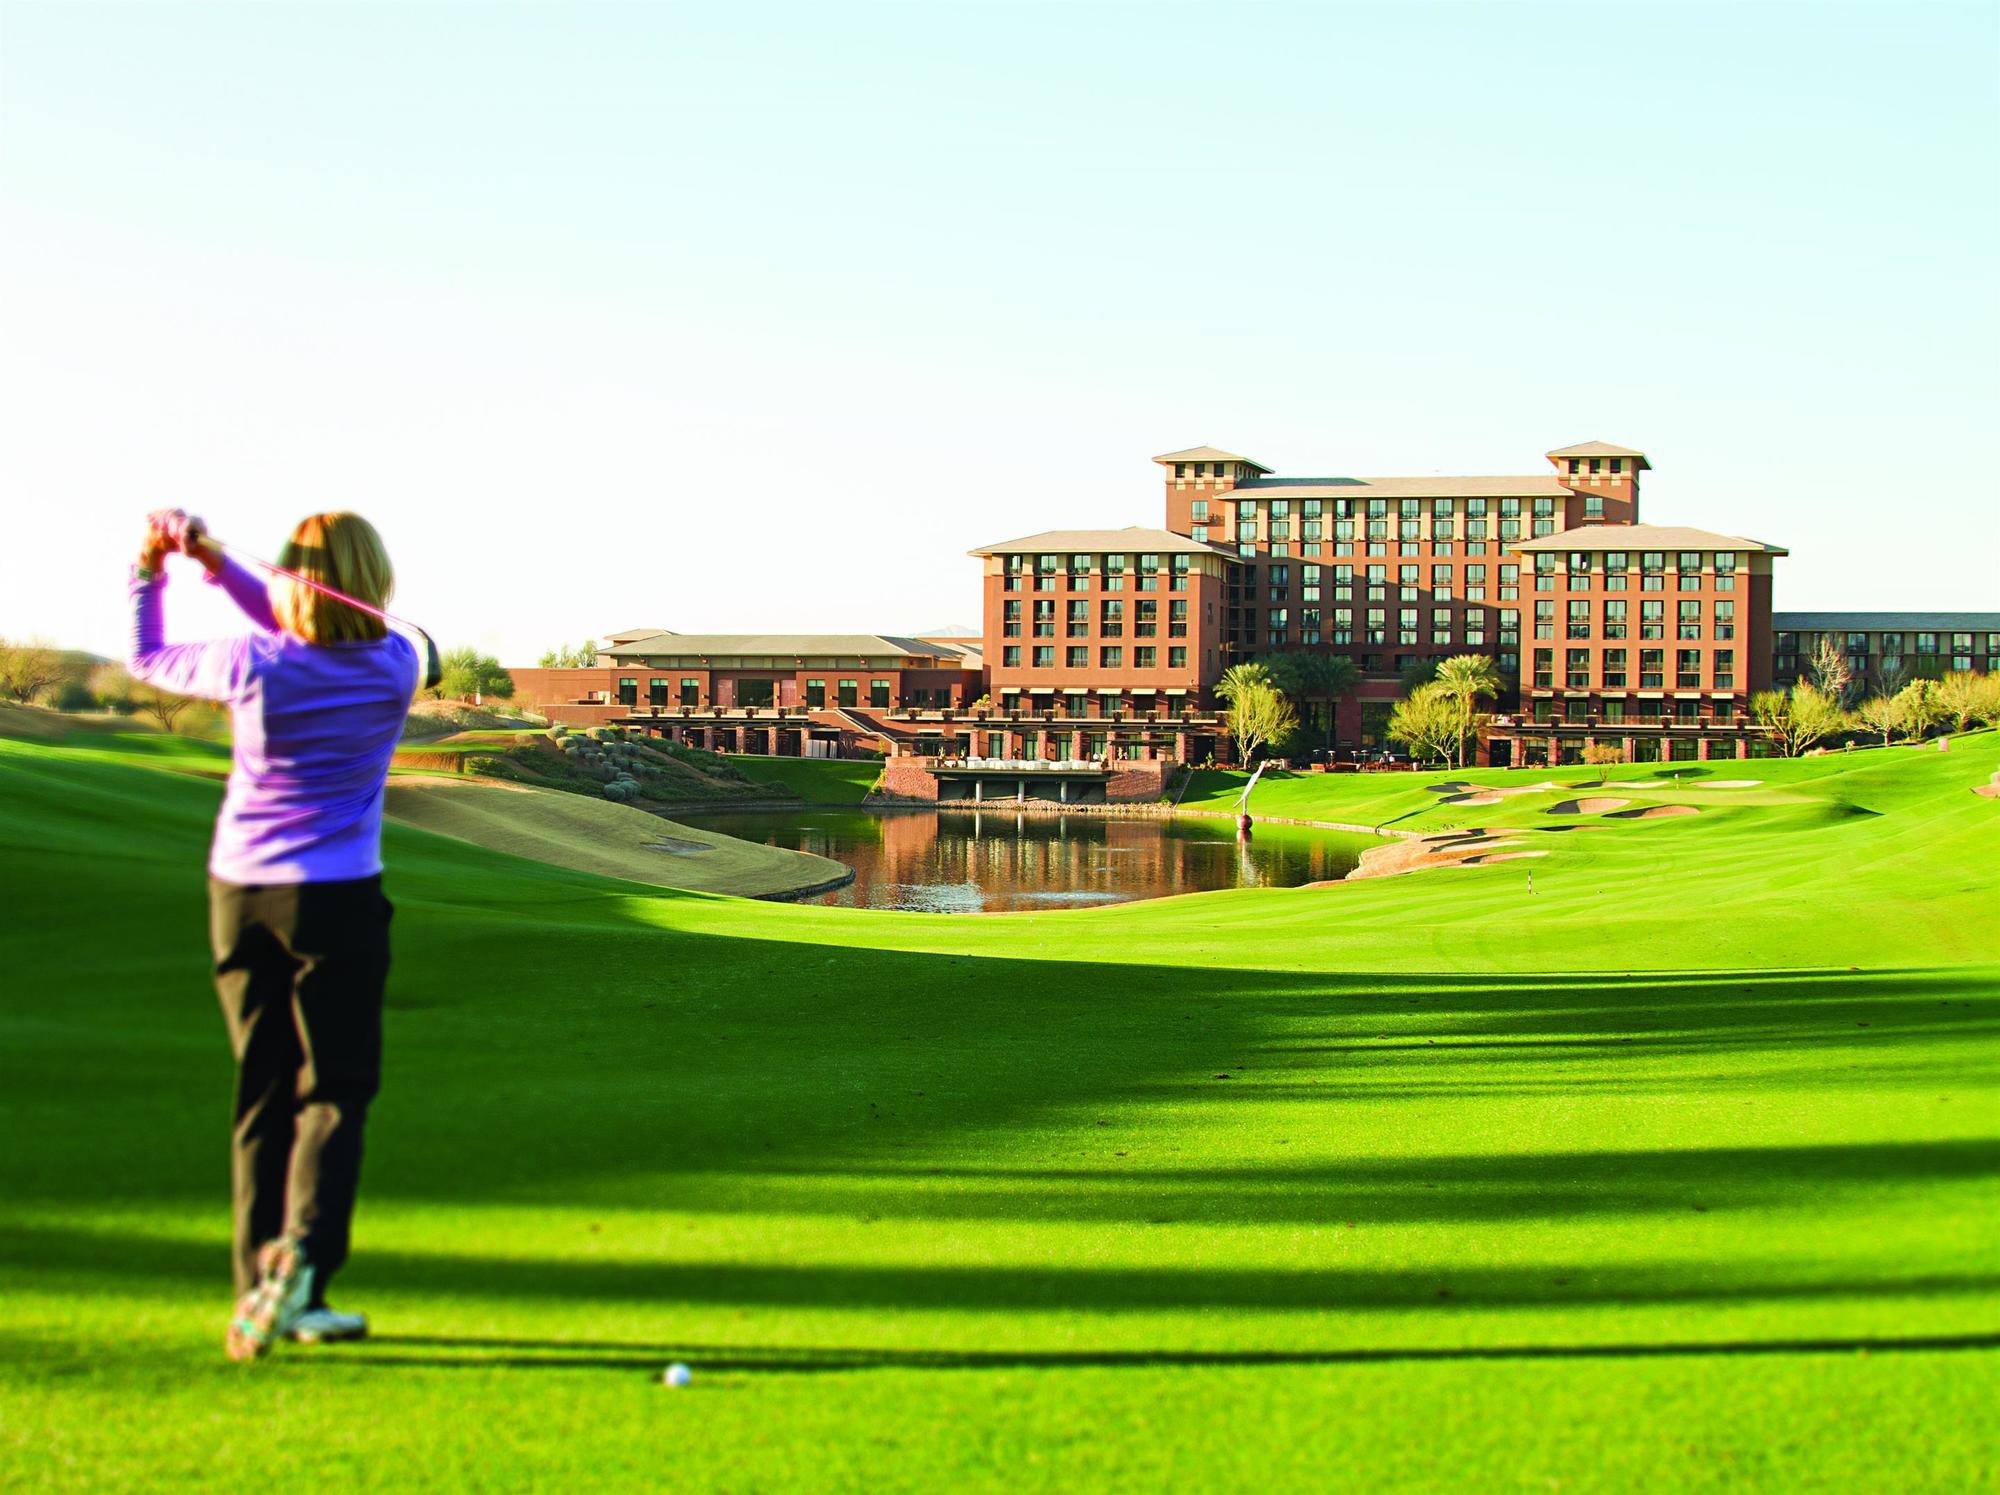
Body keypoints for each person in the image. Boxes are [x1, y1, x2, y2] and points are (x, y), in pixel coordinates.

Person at [129, 509, 420, 1361]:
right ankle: (303, 1270)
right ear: (376, 582)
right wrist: (223, 565)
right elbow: (319, 627)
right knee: (331, 1092)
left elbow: (151, 656)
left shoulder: (252, 661)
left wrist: (166, 569)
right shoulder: (396, 664)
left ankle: (260, 1282)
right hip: (335, 902)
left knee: (262, 1089)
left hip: (240, 896)